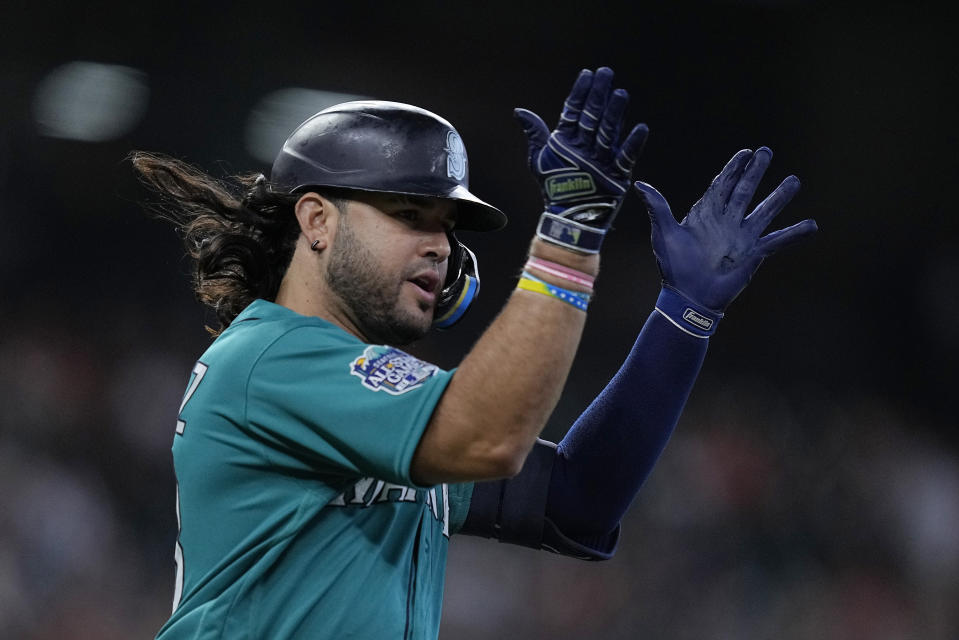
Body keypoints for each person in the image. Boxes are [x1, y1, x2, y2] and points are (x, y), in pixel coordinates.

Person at [132, 67, 817, 639]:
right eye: (409, 216)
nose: (440, 245)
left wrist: (683, 317)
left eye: (447, 227)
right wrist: (569, 234)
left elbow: (577, 501)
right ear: (316, 220)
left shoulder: (372, 401)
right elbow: (489, 438)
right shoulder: (270, 359)